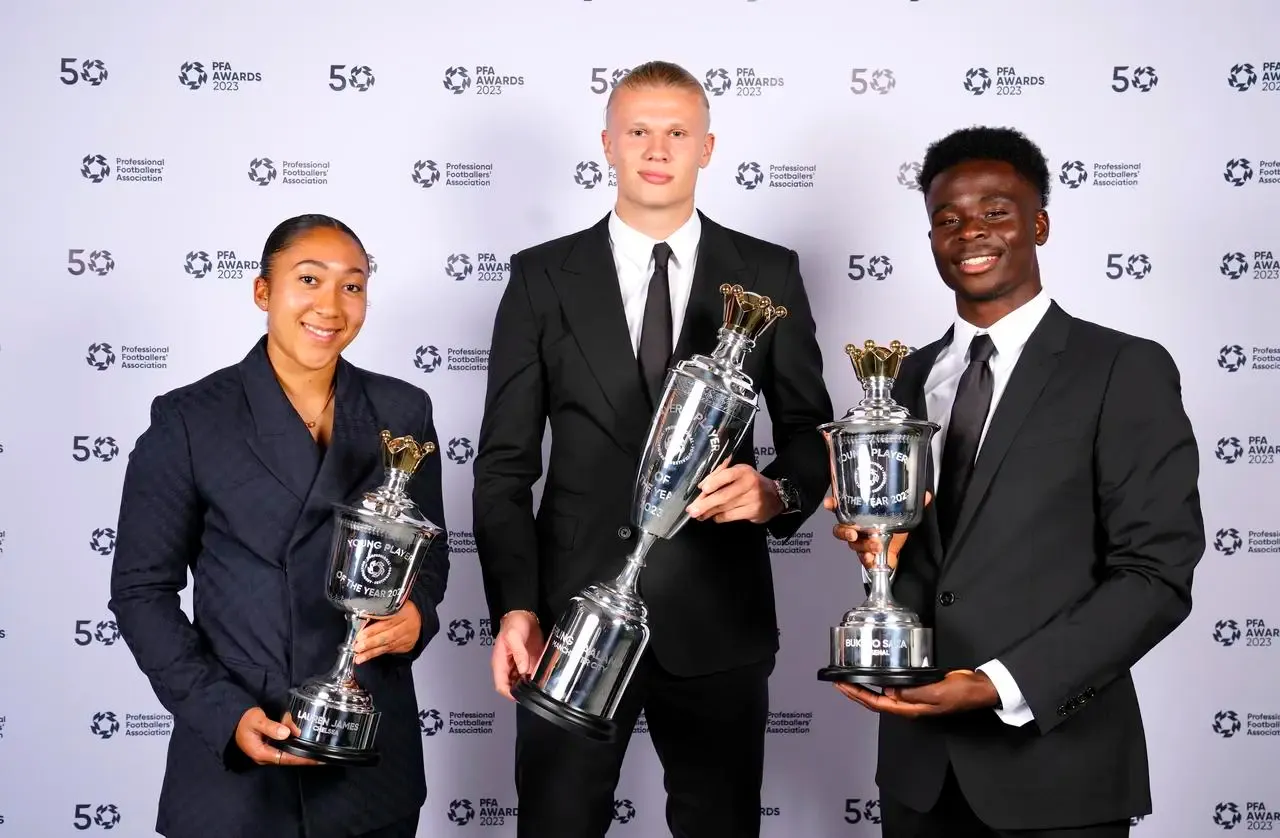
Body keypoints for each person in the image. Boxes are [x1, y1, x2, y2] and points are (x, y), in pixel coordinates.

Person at [473, 60, 833, 838]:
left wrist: (776, 495)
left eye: (677, 131)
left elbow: (809, 432)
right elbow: (504, 466)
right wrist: (516, 608)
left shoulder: (768, 274)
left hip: (717, 619)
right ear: (608, 143)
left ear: (708, 147)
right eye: (639, 130)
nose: (657, 148)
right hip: (569, 620)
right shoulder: (541, 278)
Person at [826, 125, 1204, 837]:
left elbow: (1155, 574)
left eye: (995, 211)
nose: (970, 231)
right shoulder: (905, 378)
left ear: (1039, 223)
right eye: (947, 219)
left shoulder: (1122, 368)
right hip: (918, 774)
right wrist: (875, 546)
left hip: (1058, 770)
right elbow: (934, 557)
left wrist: (998, 682)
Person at [108, 214, 450, 838]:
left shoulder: (403, 410)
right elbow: (140, 593)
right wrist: (223, 711)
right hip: (240, 754)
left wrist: (416, 616)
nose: (331, 305)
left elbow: (429, 556)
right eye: (309, 280)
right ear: (263, 292)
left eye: (352, 285)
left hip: (372, 756)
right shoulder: (189, 420)